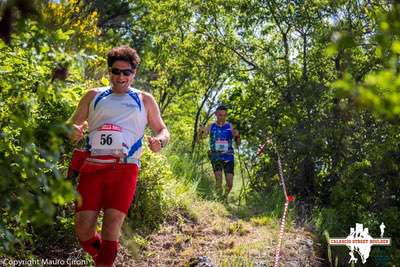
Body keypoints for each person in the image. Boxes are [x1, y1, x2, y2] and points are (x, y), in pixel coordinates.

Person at [68, 45, 170, 267]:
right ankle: (103, 257)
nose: (121, 77)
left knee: (111, 228)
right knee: (83, 230)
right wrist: (73, 131)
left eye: (126, 72)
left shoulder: (144, 99)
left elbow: (163, 129)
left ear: (134, 74)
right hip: (93, 168)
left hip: (125, 169)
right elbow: (72, 125)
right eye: (116, 71)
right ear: (109, 71)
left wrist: (159, 141)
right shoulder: (93, 95)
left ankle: (104, 261)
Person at [199, 105, 240, 199]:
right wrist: (200, 132)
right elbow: (200, 139)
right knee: (219, 180)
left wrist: (237, 136)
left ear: (226, 115)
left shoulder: (230, 126)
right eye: (220, 115)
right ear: (216, 114)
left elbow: (238, 143)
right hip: (215, 156)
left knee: (230, 183)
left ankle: (224, 197)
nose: (222, 117)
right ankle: (218, 199)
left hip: (228, 157)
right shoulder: (211, 126)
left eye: (224, 115)